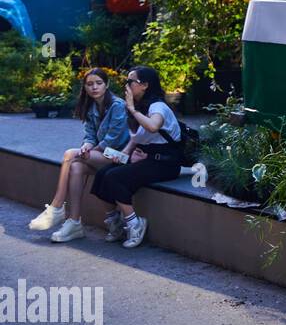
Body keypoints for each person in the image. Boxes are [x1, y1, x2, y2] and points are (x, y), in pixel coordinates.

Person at [87, 66, 185, 248]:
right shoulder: (142, 108)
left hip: (165, 163)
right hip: (149, 160)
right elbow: (136, 139)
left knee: (114, 177)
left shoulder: (157, 107)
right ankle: (115, 223)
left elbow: (153, 126)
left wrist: (132, 109)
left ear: (145, 85)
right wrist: (123, 155)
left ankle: (135, 223)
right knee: (102, 174)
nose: (126, 85)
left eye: (130, 81)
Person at [30, 69, 130, 240]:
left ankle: (56, 207)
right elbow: (90, 134)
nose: (94, 87)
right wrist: (86, 146)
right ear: (85, 87)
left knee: (70, 154)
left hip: (120, 157)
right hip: (101, 155)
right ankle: (74, 223)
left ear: (107, 84)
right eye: (90, 84)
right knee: (76, 167)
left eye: (98, 83)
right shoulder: (91, 106)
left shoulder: (117, 105)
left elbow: (113, 139)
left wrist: (91, 150)